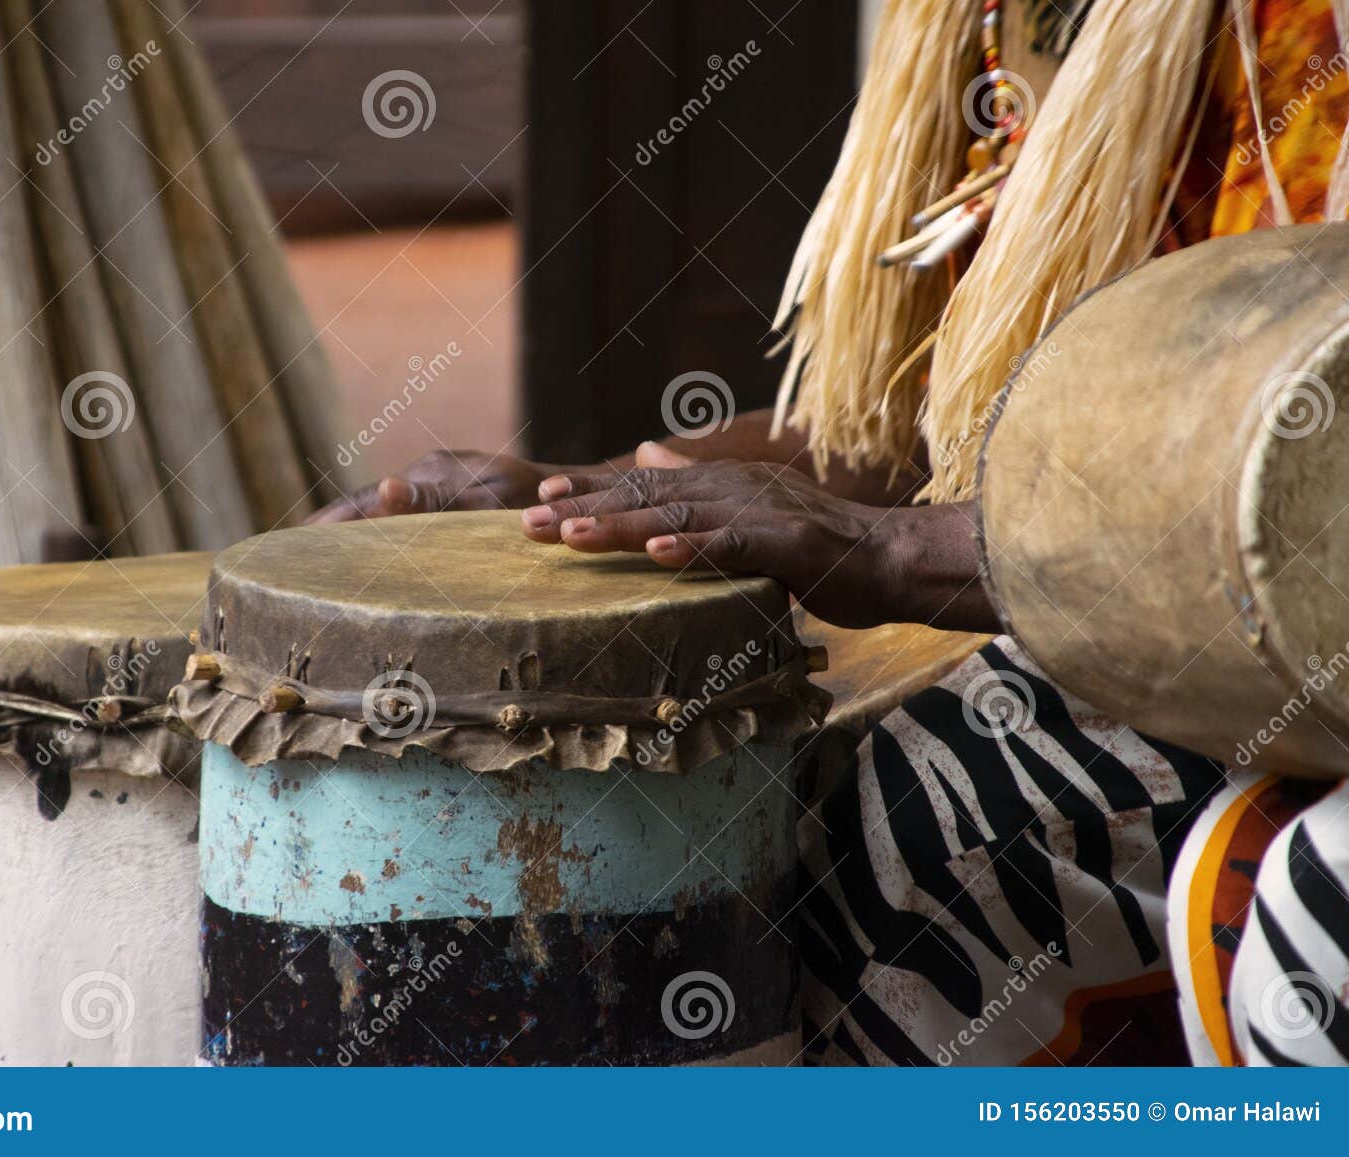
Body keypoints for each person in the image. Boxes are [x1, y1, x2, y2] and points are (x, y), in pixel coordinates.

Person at [309, 0, 1349, 1066]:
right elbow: (932, 427)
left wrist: (900, 552)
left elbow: (1304, 512)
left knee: (926, 817)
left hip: (1281, 665)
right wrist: (587, 494)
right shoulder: (981, 23)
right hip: (1107, 605)